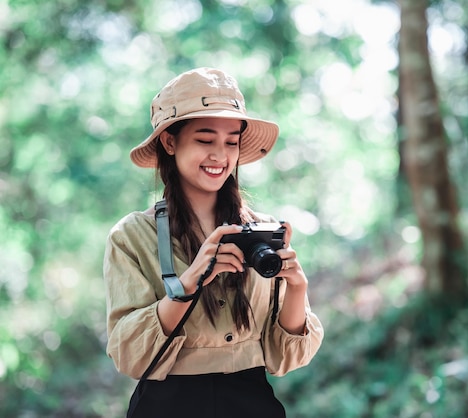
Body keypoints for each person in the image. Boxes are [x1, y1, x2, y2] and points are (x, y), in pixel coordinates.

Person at [103, 67, 324, 418]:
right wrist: (189, 281)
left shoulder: (263, 230)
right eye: (205, 140)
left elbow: (285, 357)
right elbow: (128, 354)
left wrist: (296, 287)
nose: (220, 156)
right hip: (167, 404)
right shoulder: (132, 235)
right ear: (170, 142)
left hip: (251, 400)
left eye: (231, 142)